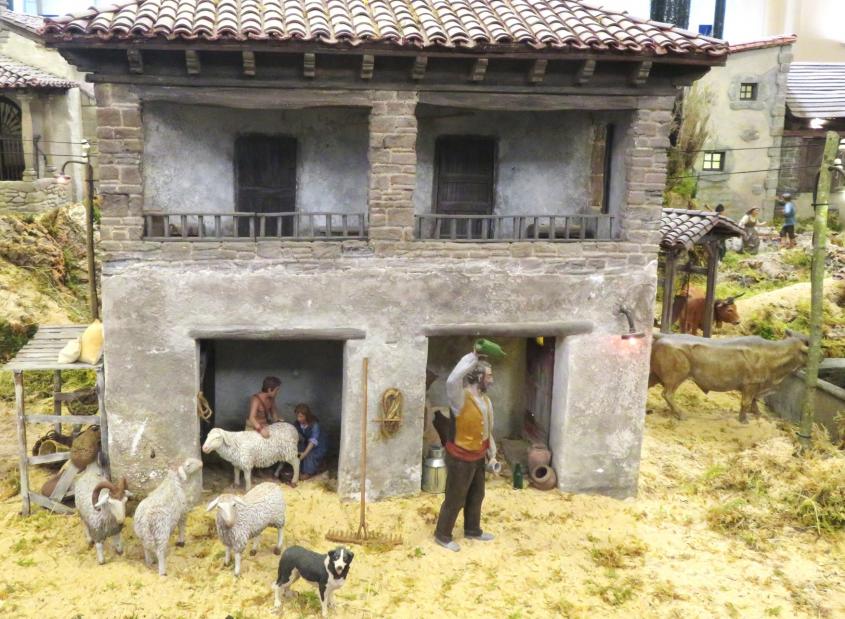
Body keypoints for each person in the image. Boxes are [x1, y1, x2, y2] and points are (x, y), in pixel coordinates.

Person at [434, 348, 500, 552]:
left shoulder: (486, 401)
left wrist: (492, 453)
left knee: (476, 495)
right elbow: (452, 380)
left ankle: (472, 529)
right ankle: (443, 534)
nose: (491, 380)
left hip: (478, 456)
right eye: (488, 376)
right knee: (455, 498)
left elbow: (487, 430)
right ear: (478, 377)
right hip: (460, 458)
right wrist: (472, 358)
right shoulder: (460, 398)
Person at [294, 403, 327, 480]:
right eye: (297, 416)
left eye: (301, 416)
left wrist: (304, 454)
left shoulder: (314, 425)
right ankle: (299, 471)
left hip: (318, 446)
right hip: (305, 444)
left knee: (309, 455)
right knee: (298, 453)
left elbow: (313, 441)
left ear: (306, 416)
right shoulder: (297, 424)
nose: (299, 419)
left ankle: (309, 472)